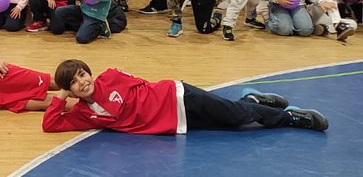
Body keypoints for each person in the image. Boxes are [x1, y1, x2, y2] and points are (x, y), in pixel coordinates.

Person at [44, 60, 328, 134]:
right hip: (176, 125)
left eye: (82, 74)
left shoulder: (109, 77)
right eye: (74, 82)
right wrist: (60, 97)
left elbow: (144, 86)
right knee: (232, 122)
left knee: (236, 116)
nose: (82, 82)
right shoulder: (82, 114)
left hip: (179, 96)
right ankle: (253, 100)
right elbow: (51, 125)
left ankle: (291, 117)